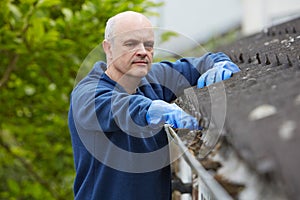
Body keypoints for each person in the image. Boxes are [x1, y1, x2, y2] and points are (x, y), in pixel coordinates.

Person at [68, 11, 240, 200]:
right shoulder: (86, 94)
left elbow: (200, 64)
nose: (142, 51)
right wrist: (149, 109)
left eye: (148, 45)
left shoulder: (153, 79)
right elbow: (116, 106)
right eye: (131, 44)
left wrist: (219, 63)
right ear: (108, 48)